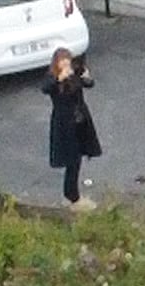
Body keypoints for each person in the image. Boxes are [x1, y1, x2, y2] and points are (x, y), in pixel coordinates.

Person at [44, 50, 103, 207]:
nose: (65, 64)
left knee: (77, 159)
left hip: (79, 121)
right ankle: (72, 196)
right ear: (56, 62)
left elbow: (89, 84)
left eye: (67, 60)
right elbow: (45, 88)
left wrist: (86, 76)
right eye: (62, 61)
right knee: (72, 159)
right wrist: (59, 79)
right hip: (64, 123)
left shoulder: (73, 74)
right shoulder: (52, 76)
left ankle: (72, 194)